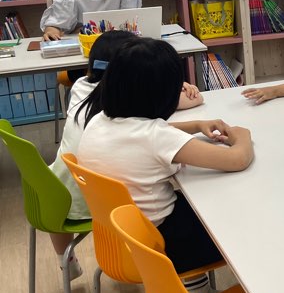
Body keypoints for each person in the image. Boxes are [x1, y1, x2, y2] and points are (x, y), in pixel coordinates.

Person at [76, 38, 253, 279]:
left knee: (198, 200)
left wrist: (196, 125)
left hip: (120, 240)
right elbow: (237, 159)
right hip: (161, 248)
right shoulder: (156, 138)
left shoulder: (99, 120)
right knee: (241, 214)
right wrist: (243, 136)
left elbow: (148, 135)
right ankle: (193, 286)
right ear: (164, 94)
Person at [47, 31, 204, 279]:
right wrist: (176, 85)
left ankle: (65, 264)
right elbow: (179, 106)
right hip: (96, 205)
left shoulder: (81, 87)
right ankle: (192, 281)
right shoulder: (121, 102)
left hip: (60, 191)